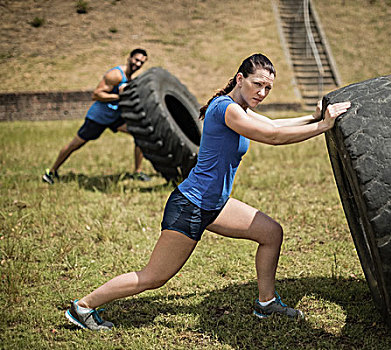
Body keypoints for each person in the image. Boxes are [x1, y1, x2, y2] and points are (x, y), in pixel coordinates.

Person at [64, 53, 351, 330]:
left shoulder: (241, 109)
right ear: (240, 78)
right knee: (154, 277)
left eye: (268, 88)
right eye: (257, 84)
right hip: (191, 205)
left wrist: (312, 118)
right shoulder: (225, 108)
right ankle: (83, 307)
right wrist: (324, 126)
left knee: (271, 233)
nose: (262, 92)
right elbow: (272, 137)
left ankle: (266, 303)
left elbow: (275, 124)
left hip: (215, 205)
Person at [42, 48, 151, 184]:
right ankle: (51, 172)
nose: (138, 64)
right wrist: (119, 96)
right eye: (136, 60)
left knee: (139, 133)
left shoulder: (131, 79)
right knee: (75, 144)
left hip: (115, 118)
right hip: (98, 118)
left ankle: (137, 172)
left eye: (142, 62)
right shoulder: (116, 75)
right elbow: (97, 94)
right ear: (129, 58)